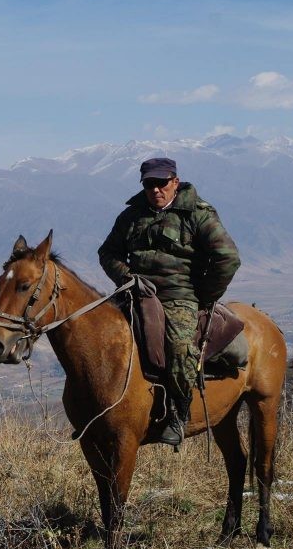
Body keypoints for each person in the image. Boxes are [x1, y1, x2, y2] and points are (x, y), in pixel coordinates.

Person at [98, 157, 240, 446]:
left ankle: (178, 412)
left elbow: (228, 257)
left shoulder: (197, 214)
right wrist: (127, 276)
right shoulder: (131, 216)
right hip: (134, 290)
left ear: (175, 181)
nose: (155, 190)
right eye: (149, 184)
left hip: (180, 297)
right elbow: (108, 253)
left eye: (161, 183)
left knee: (178, 347)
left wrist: (205, 294)